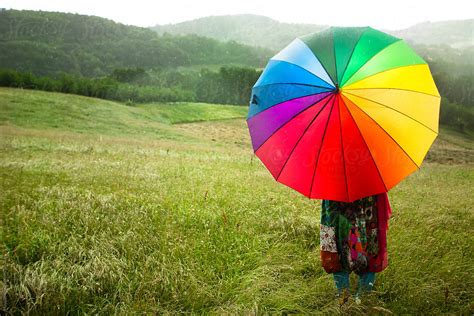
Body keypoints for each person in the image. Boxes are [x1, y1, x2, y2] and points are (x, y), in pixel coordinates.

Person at [319, 193, 392, 304]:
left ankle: (351, 300)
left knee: (363, 252)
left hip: (348, 198)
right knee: (339, 253)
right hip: (357, 197)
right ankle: (354, 300)